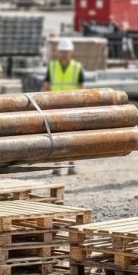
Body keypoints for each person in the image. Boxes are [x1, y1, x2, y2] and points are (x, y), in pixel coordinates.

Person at [42, 38, 85, 175]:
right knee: (56, 138)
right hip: (55, 107)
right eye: (62, 52)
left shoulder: (77, 67)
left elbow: (81, 89)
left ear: (71, 52)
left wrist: (82, 106)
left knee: (72, 138)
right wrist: (41, 102)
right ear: (58, 52)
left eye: (66, 52)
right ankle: (57, 166)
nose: (64, 54)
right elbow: (46, 86)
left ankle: (71, 165)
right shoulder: (52, 67)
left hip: (72, 107)